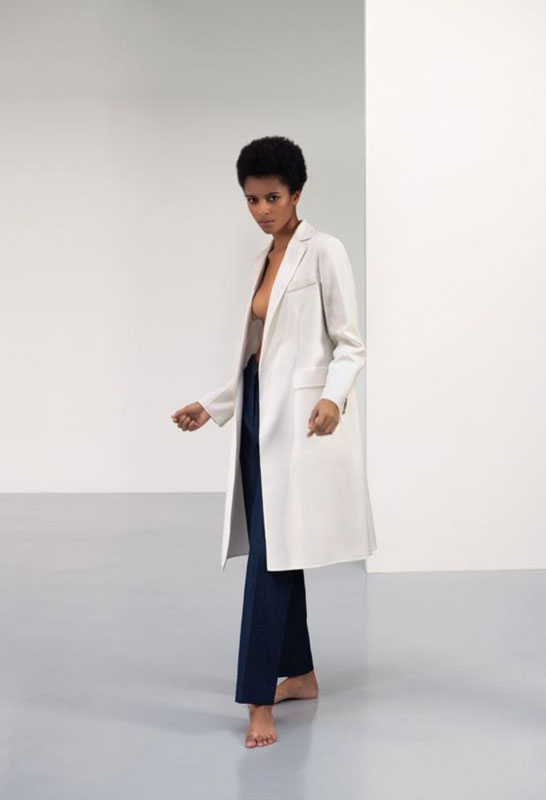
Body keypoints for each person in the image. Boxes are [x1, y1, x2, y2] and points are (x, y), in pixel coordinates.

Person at [171, 136, 376, 748]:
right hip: (258, 414)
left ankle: (258, 698)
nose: (262, 210)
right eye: (252, 199)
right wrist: (213, 406)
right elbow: (260, 357)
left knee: (268, 558)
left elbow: (350, 344)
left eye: (273, 197)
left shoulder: (324, 250)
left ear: (297, 194)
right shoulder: (266, 258)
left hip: (302, 422)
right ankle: (302, 675)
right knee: (277, 549)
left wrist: (332, 398)